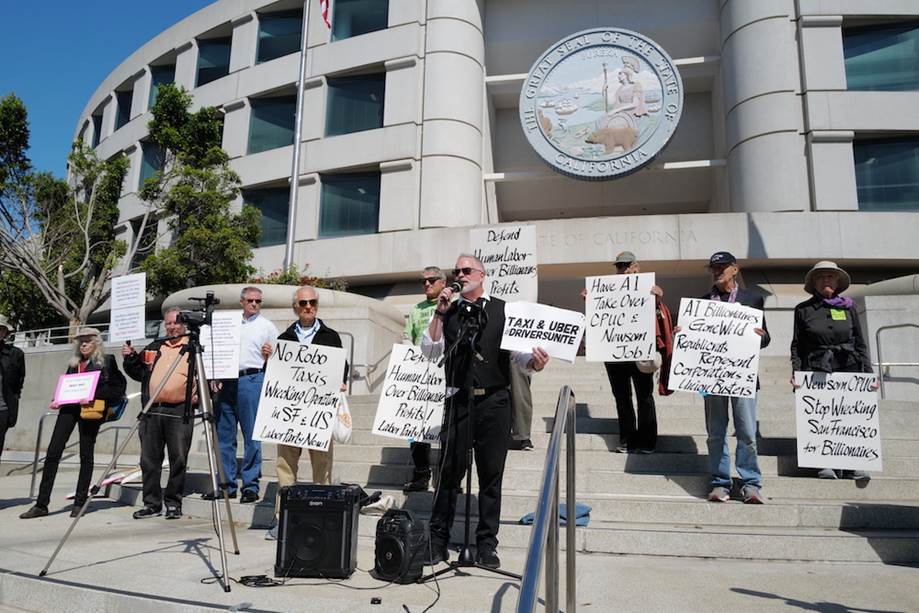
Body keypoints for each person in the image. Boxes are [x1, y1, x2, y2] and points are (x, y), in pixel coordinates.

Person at [422, 254, 549, 569]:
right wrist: (439, 313)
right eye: (457, 271)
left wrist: (535, 362)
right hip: (458, 401)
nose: (460, 275)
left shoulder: (504, 310)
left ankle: (487, 545)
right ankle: (437, 541)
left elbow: (520, 358)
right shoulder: (447, 310)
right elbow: (429, 349)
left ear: (482, 274)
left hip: (494, 402)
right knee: (449, 474)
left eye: (466, 270)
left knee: (491, 476)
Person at [267, 286, 348, 540]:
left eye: (312, 302)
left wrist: (341, 381)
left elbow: (340, 367)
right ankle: (284, 519)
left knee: (322, 468)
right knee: (285, 466)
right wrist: (268, 359)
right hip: (291, 413)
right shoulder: (284, 338)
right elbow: (276, 374)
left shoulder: (331, 336)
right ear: (295, 307)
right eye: (303, 303)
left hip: (319, 413)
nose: (308, 307)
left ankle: (320, 515)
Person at [20, 328, 127, 519]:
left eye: (87, 341)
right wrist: (57, 399)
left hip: (90, 411)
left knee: (86, 455)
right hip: (68, 410)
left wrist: (93, 395)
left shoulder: (107, 361)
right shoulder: (74, 364)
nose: (83, 344)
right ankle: (41, 504)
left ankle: (79, 502)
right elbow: (67, 389)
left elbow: (118, 390)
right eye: (81, 342)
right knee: (53, 452)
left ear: (97, 343)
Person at [691, 252, 770, 504]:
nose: (717, 271)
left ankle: (750, 484)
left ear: (735, 269)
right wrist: (684, 333)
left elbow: (766, 339)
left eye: (722, 267)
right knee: (715, 432)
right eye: (713, 268)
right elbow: (694, 341)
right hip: (712, 377)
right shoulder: (703, 302)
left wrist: (761, 335)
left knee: (746, 431)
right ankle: (720, 482)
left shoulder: (752, 299)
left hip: (742, 376)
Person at [790, 261, 875, 481]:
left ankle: (852, 463)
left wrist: (868, 373)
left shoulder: (848, 307)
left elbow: (859, 341)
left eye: (830, 277)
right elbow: (797, 345)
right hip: (817, 367)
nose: (826, 281)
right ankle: (825, 462)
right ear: (814, 283)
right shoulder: (803, 309)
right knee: (822, 417)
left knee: (849, 417)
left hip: (848, 365)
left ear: (837, 282)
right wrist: (796, 372)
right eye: (821, 277)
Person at [580, 251, 671, 453]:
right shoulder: (608, 290)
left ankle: (647, 441)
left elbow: (659, 318)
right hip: (615, 354)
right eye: (620, 266)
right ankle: (628, 439)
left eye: (627, 265)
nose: (623, 270)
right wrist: (590, 301)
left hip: (639, 352)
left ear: (636, 266)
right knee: (622, 397)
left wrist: (657, 301)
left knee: (644, 397)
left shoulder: (649, 290)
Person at [122, 307, 196, 519]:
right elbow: (139, 373)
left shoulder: (192, 347)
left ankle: (173, 502)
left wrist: (200, 395)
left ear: (184, 324)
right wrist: (130, 358)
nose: (172, 327)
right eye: (168, 324)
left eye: (176, 323)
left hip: (179, 410)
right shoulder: (155, 347)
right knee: (149, 460)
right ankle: (152, 503)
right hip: (151, 411)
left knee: (178, 458)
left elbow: (206, 377)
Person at [207, 287, 278, 503]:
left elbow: (277, 358)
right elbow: (215, 349)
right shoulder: (227, 323)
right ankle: (227, 484)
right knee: (224, 435)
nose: (254, 304)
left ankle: (250, 485)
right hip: (225, 380)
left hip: (252, 380)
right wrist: (213, 375)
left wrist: (269, 356)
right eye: (250, 300)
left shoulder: (267, 326)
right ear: (241, 302)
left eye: (258, 301)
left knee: (252, 435)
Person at [402, 267, 446, 492]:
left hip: (446, 374)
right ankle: (421, 474)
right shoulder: (416, 309)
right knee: (415, 425)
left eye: (431, 280)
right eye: (423, 281)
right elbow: (407, 337)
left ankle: (448, 478)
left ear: (443, 283)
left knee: (447, 426)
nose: (427, 284)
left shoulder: (452, 306)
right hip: (419, 375)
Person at [0, 315, 25, 465]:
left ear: (5, 332)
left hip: (2, 410)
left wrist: (13, 402)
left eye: (1, 329)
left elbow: (18, 383)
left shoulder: (15, 354)